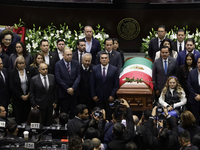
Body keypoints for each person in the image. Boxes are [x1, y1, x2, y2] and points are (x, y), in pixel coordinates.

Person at [90, 51, 119, 120]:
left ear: (108, 59)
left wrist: (112, 95)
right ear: (100, 60)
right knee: (98, 115)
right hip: (98, 97)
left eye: (105, 58)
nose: (104, 59)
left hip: (109, 97)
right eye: (102, 58)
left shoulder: (114, 69)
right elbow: (92, 83)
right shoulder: (95, 69)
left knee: (109, 115)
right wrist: (93, 95)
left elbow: (116, 84)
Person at [55, 48, 80, 119]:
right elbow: (58, 78)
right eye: (68, 55)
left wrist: (73, 88)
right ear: (63, 55)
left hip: (74, 93)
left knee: (73, 113)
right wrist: (67, 89)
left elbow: (78, 76)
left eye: (71, 54)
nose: (69, 56)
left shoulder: (76, 63)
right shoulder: (58, 64)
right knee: (64, 114)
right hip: (64, 93)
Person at [9, 56, 31, 124]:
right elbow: (12, 87)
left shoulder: (28, 71)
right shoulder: (12, 73)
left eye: (23, 63)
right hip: (17, 98)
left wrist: (28, 94)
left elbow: (31, 84)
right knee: (18, 117)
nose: (21, 65)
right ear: (16, 64)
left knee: (27, 116)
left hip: (28, 98)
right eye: (19, 63)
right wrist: (21, 96)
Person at [188, 57, 200, 125]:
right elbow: (189, 85)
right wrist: (195, 95)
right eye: (198, 62)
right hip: (194, 99)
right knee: (195, 119)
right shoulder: (192, 72)